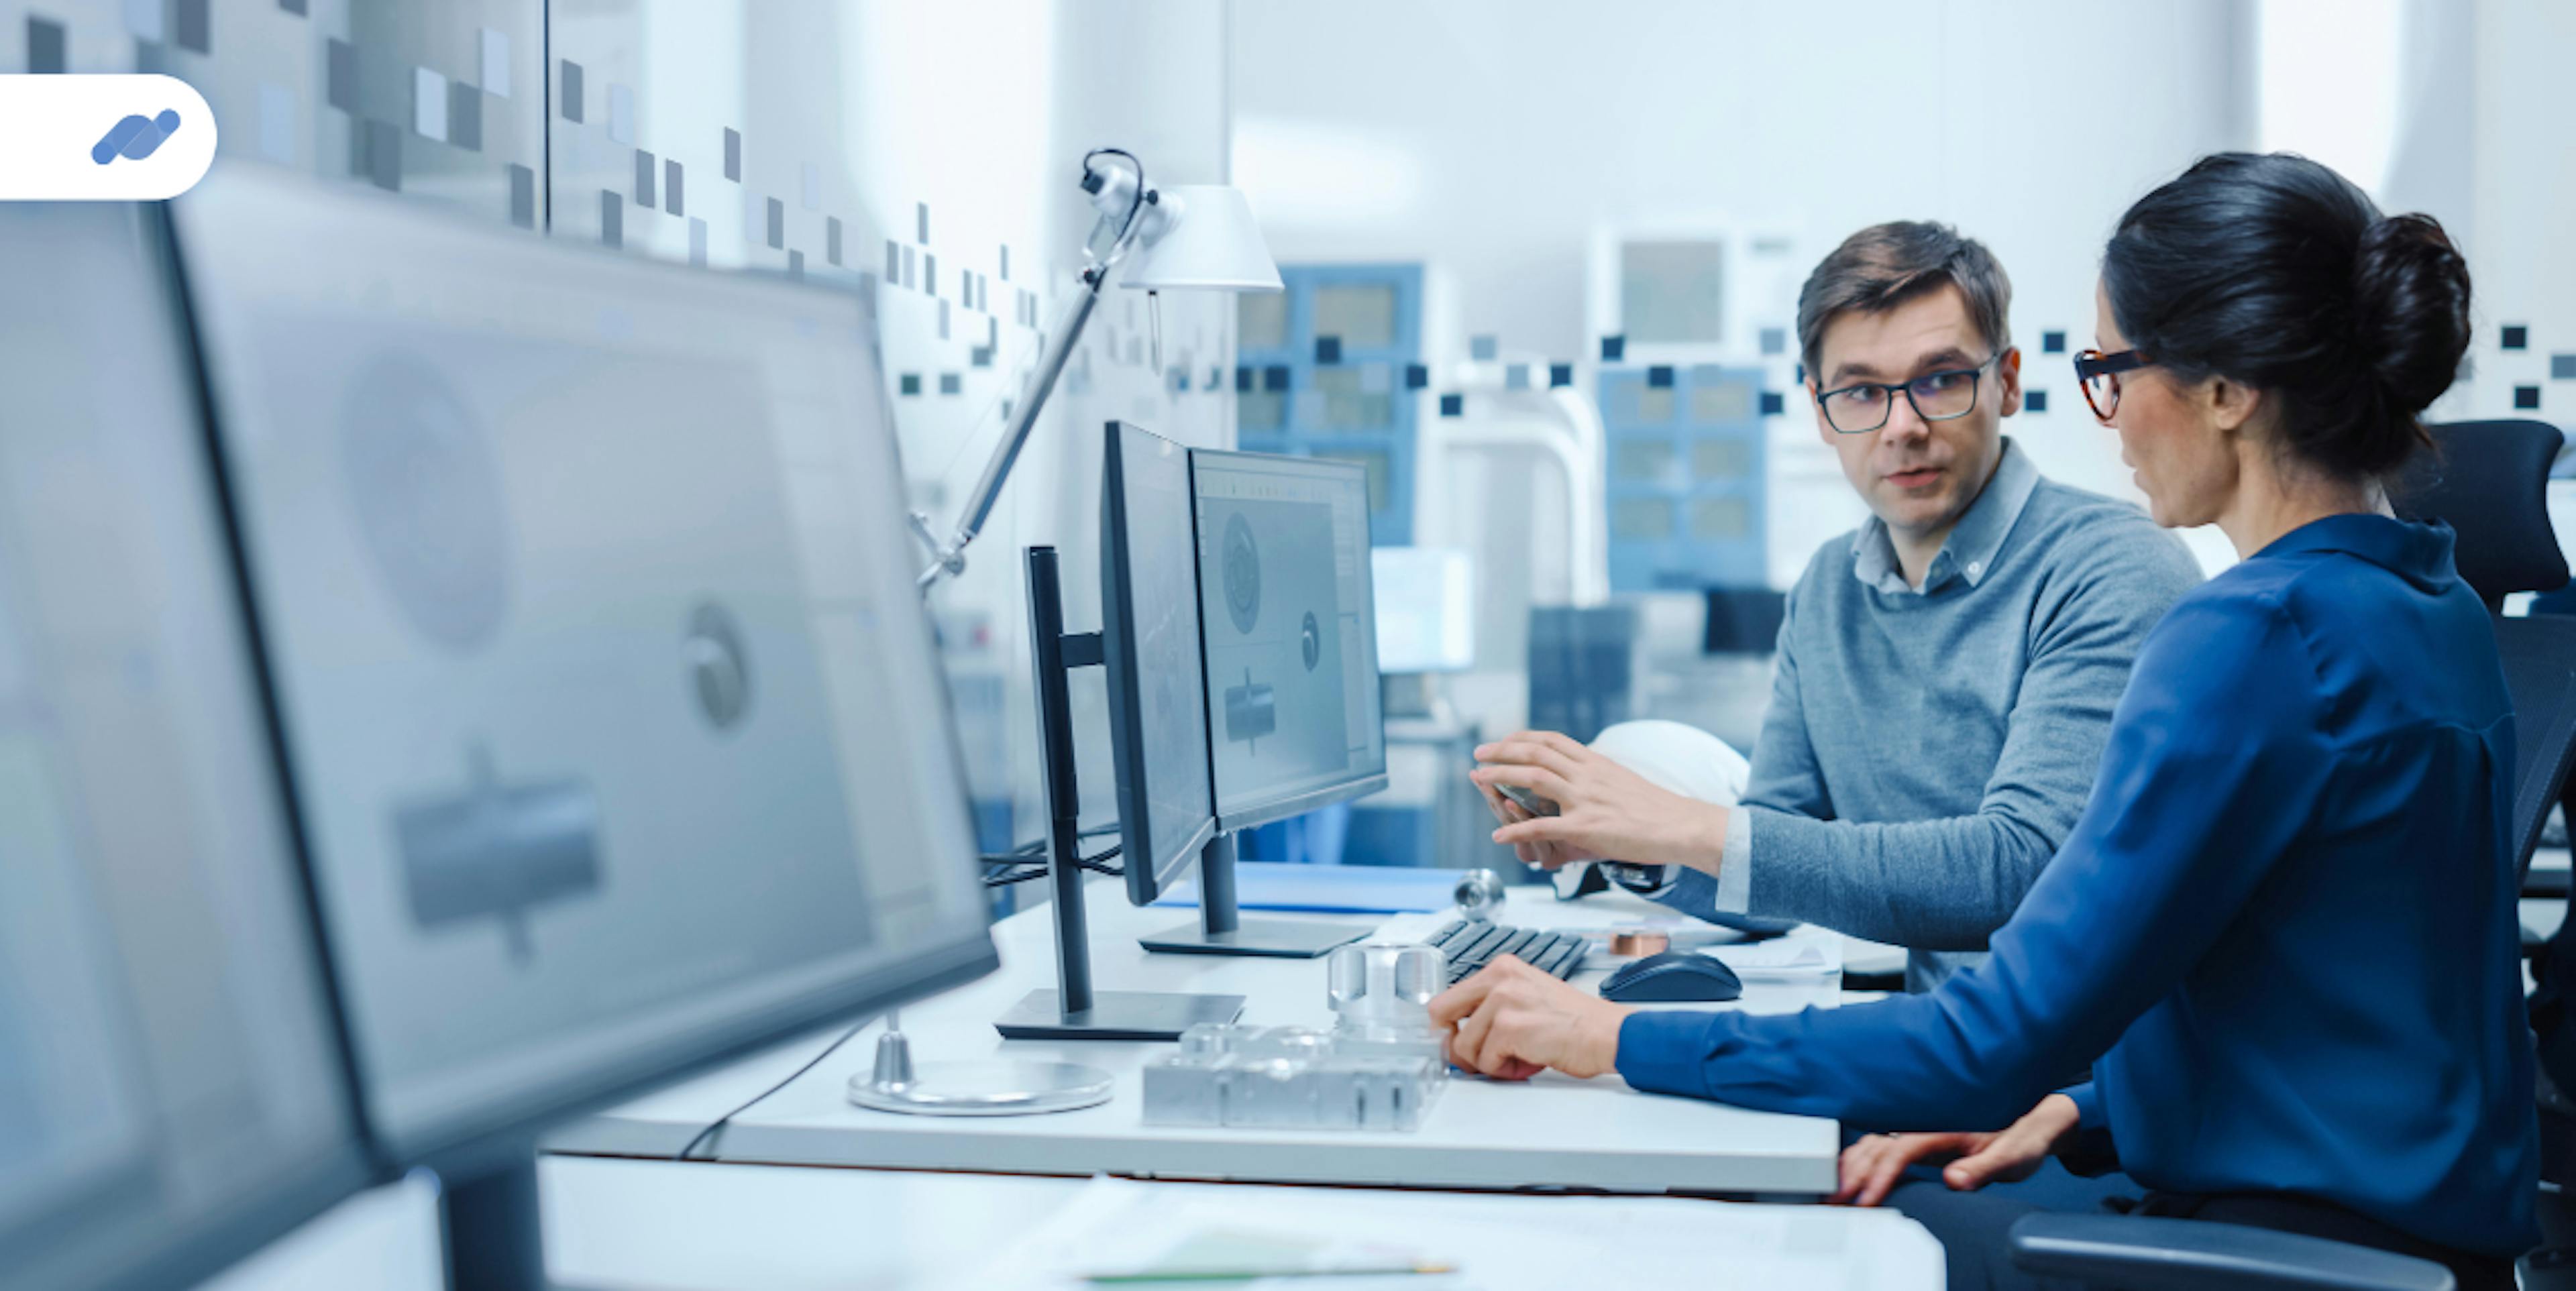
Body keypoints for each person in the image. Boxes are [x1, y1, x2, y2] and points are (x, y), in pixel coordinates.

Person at [1444, 152, 2537, 1290]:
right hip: (2396, 1236)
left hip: (2287, 1247)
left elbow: (1994, 1025)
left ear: (2224, 391)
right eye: (1859, 391)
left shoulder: (2252, 635)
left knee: (1729, 1226)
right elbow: (2327, 985)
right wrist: (2080, 1102)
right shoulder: (2432, 600)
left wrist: (1612, 1038)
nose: (2108, 416)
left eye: (2112, 368)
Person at [1483, 221, 2202, 993]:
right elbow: (1770, 867)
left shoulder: (2112, 568)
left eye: (1940, 379)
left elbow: (2022, 872)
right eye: (1861, 391)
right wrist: (1624, 842)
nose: (1903, 426)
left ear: (2008, 382)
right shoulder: (1828, 590)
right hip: (1948, 1051)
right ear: (1821, 412)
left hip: (2079, 1084)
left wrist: (1684, 822)